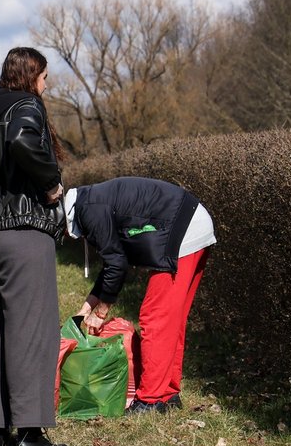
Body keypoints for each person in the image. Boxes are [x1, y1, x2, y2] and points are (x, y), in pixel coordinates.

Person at [0, 47, 69, 446]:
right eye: (44, 75)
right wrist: (50, 182)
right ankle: (29, 434)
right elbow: (23, 141)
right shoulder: (27, 105)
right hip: (23, 229)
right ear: (30, 75)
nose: (47, 83)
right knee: (31, 330)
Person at [65, 177, 216, 413]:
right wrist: (86, 309)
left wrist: (101, 312)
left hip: (182, 233)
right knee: (170, 319)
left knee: (155, 317)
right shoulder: (89, 201)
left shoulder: (89, 210)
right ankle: (167, 392)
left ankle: (151, 399)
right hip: (191, 224)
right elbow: (112, 262)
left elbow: (116, 264)